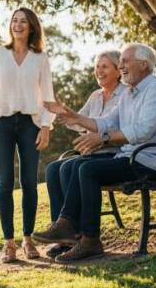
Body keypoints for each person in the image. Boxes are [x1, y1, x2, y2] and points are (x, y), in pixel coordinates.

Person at [42, 43, 156, 262]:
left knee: (87, 169)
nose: (122, 66)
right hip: (132, 157)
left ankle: (90, 240)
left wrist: (103, 138)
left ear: (143, 65)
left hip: (152, 161)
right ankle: (69, 227)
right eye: (121, 62)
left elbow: (142, 131)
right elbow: (107, 121)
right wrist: (76, 118)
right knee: (78, 165)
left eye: (125, 61)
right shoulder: (130, 94)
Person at [0, 8, 55, 262]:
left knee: (29, 182)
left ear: (31, 27)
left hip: (30, 123)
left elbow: (48, 95)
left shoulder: (40, 58)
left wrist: (46, 126)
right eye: (14, 21)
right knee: (4, 183)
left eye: (23, 21)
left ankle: (28, 239)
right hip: (1, 124)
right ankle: (8, 242)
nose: (18, 25)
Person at [32, 50, 126, 257]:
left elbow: (109, 125)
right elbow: (79, 121)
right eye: (97, 66)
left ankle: (77, 234)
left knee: (69, 166)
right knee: (53, 169)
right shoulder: (95, 96)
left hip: (113, 152)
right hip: (93, 153)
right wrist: (62, 112)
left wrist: (83, 124)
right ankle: (63, 234)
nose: (99, 71)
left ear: (118, 71)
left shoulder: (125, 94)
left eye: (105, 66)